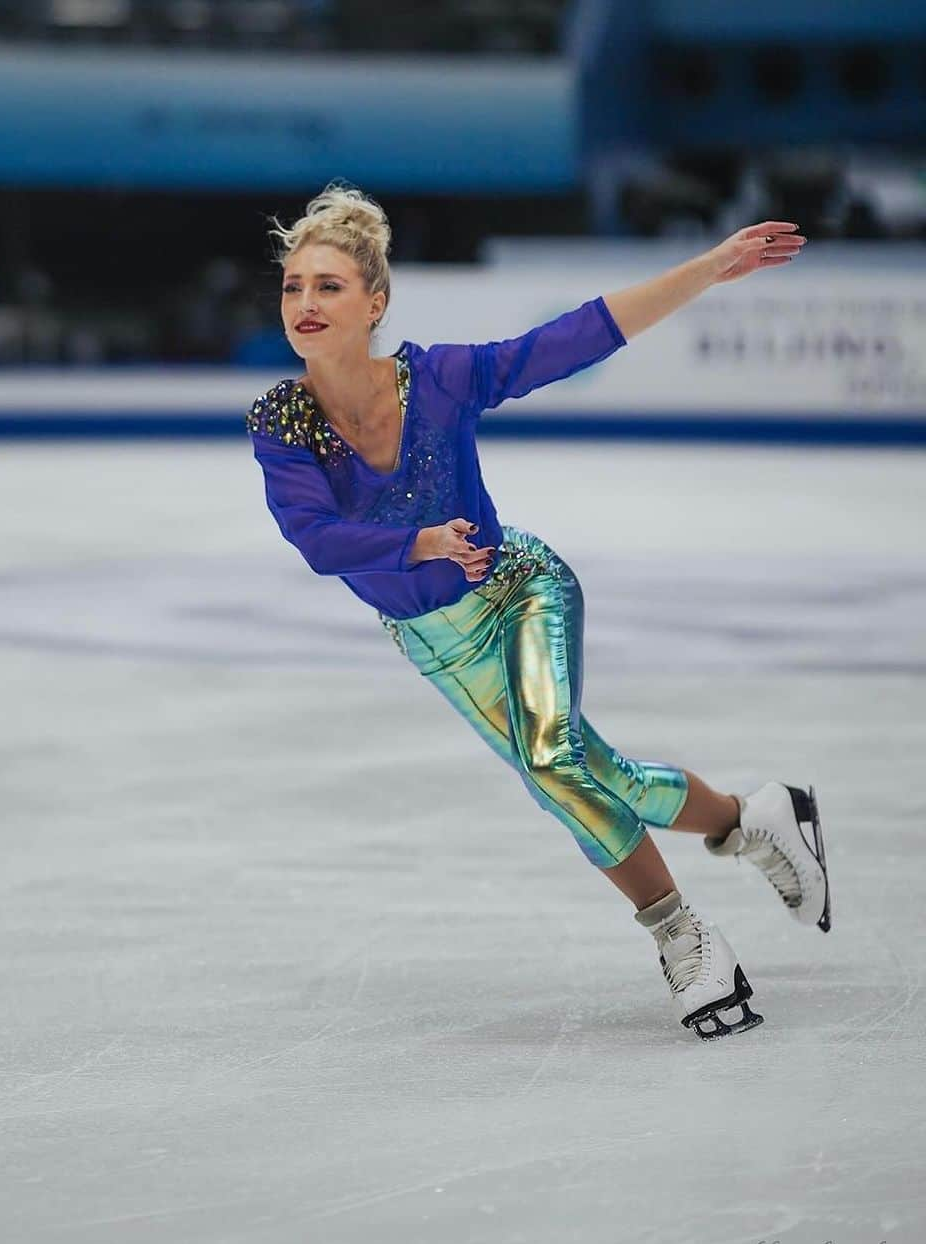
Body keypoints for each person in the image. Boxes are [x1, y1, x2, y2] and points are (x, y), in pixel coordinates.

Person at [245, 183, 831, 1040]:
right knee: (604, 778)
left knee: (554, 768)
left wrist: (709, 268)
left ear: (375, 302)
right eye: (294, 286)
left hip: (518, 590)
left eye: (328, 285)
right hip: (436, 645)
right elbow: (317, 539)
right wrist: (419, 545)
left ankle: (686, 941)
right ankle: (757, 819)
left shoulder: (438, 379)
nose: (306, 302)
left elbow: (568, 341)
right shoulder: (282, 423)